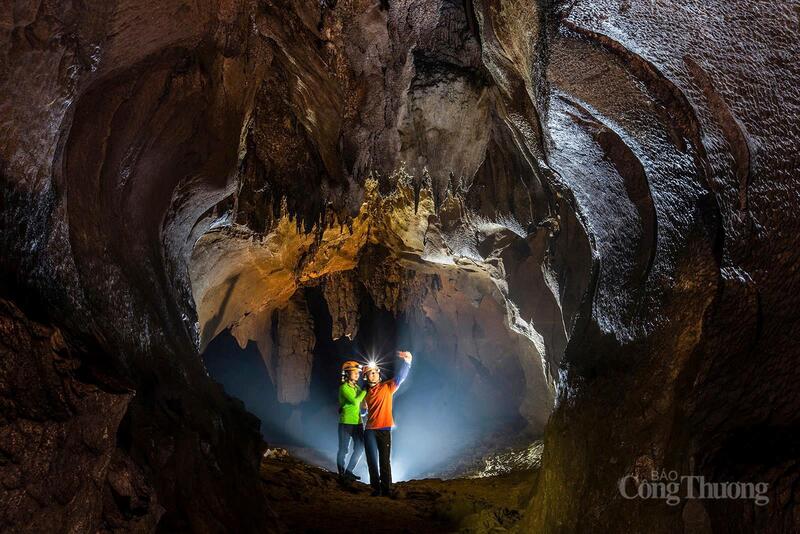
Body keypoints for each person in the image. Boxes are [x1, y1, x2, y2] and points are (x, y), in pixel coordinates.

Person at [362, 350, 413, 497]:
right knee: (371, 460)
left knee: (384, 461)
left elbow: (401, 377)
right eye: (371, 373)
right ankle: (376, 488)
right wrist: (359, 410)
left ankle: (386, 489)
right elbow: (363, 412)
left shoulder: (387, 387)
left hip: (384, 429)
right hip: (370, 430)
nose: (375, 374)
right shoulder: (364, 394)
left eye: (376, 372)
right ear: (366, 377)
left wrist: (408, 361)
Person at [337, 360, 366, 483]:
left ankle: (349, 471)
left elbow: (362, 402)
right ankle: (341, 474)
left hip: (358, 422)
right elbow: (355, 401)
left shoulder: (357, 387)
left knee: (360, 447)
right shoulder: (344, 388)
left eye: (357, 372)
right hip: (346, 423)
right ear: (347, 373)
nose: (356, 374)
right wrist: (365, 390)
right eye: (353, 372)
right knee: (344, 449)